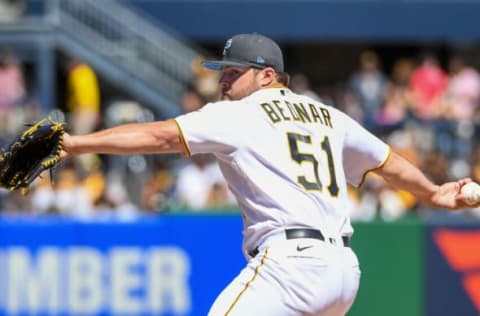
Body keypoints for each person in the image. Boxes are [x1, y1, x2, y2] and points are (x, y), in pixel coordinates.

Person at [59, 33, 479, 315]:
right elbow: (385, 161)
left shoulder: (239, 113)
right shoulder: (327, 115)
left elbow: (160, 135)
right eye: (222, 72)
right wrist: (432, 193)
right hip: (343, 272)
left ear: (266, 75)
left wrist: (76, 144)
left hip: (292, 267)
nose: (223, 81)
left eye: (233, 72)